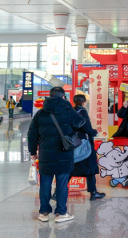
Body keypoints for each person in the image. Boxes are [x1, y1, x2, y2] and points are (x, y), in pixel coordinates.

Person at [28, 86, 85, 223]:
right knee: (62, 183)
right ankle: (61, 213)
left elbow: (32, 133)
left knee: (45, 183)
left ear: (50, 96)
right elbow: (80, 122)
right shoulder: (67, 110)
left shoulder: (41, 113)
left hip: (46, 154)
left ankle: (44, 213)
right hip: (64, 153)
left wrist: (32, 152)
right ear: (63, 97)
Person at [70, 94, 106, 200]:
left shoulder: (71, 112)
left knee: (70, 169)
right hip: (84, 144)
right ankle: (93, 192)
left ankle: (57, 192)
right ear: (84, 102)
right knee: (90, 167)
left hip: (73, 143)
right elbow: (86, 127)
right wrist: (94, 132)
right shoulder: (83, 111)